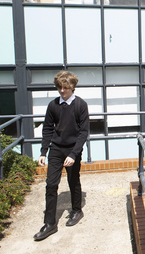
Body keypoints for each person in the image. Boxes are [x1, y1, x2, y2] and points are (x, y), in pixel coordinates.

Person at [34, 71, 89, 241]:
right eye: (59, 87)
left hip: (73, 149)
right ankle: (50, 224)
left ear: (72, 87)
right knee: (51, 184)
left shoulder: (80, 105)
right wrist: (44, 151)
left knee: (73, 181)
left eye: (65, 87)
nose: (62, 91)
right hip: (56, 149)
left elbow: (83, 132)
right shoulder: (53, 106)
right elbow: (48, 129)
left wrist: (74, 153)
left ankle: (77, 210)